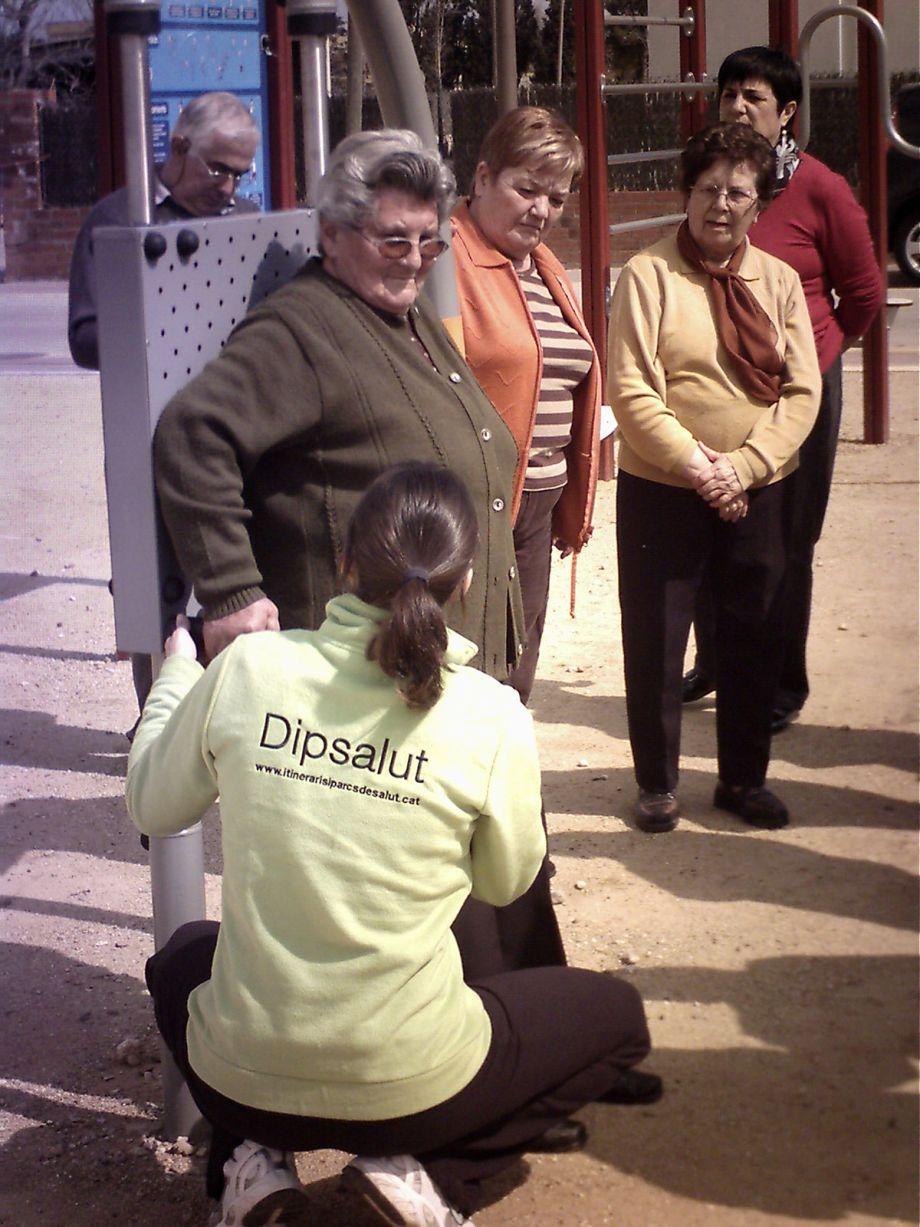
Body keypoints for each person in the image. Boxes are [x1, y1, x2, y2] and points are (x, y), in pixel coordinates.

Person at [127, 463, 653, 1227]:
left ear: (345, 562)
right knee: (619, 1020)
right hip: (413, 1088)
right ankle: (429, 1181)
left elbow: (150, 799)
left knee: (181, 960)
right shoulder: (490, 712)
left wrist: (179, 670)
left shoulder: (249, 668)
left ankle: (253, 1165)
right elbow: (505, 883)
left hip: (245, 1079)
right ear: (465, 578)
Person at [154, 130, 579, 995]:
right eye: (394, 239)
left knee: (480, 862)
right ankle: (482, 1072)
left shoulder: (399, 311)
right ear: (333, 234)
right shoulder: (305, 329)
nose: (418, 258)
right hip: (379, 673)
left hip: (443, 657)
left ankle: (525, 1034)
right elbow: (192, 434)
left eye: (429, 239)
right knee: (435, 881)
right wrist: (233, 590)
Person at [608, 122, 821, 834]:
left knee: (753, 629)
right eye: (707, 189)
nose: (720, 205)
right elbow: (633, 390)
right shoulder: (646, 276)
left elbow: (802, 393)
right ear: (687, 194)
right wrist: (702, 466)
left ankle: (742, 779)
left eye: (737, 192)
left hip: (759, 487)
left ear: (758, 206)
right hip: (664, 486)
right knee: (657, 638)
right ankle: (658, 785)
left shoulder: (781, 282)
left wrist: (744, 467)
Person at [682, 47, 884, 732]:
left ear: (787, 112)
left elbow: (862, 292)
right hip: (716, 384)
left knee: (785, 542)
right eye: (729, 94)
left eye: (755, 98)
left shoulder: (819, 188)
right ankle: (715, 662)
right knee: (710, 525)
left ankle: (778, 684)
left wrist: (816, 359)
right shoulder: (711, 180)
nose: (737, 107)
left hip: (797, 394)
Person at [451, 106, 600, 704]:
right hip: (474, 503)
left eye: (557, 198)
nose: (541, 209)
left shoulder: (544, 266)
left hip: (538, 500)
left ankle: (504, 792)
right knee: (464, 669)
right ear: (483, 178)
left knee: (516, 667)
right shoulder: (445, 260)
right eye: (527, 188)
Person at [68, 91, 261, 371]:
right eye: (218, 170)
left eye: (238, 175)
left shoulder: (246, 219)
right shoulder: (117, 219)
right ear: (179, 147)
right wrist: (171, 335)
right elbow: (85, 340)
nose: (227, 188)